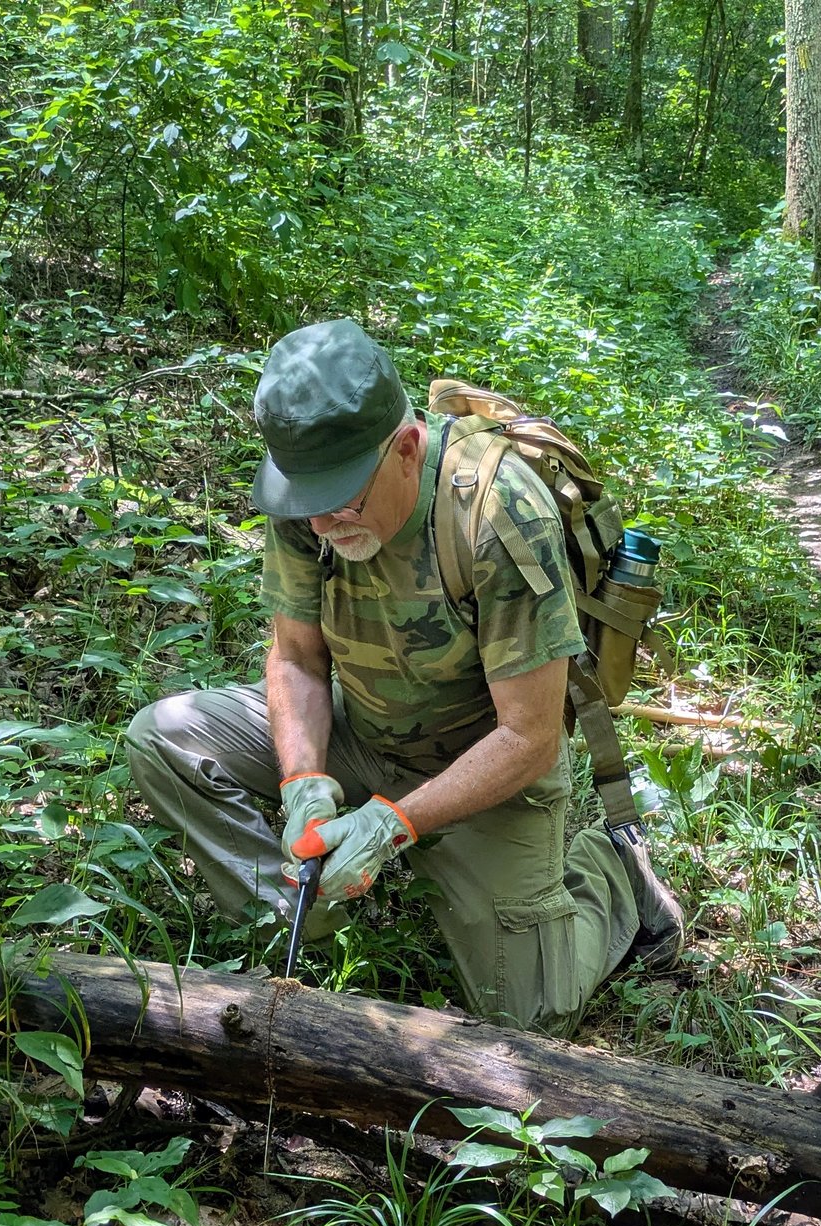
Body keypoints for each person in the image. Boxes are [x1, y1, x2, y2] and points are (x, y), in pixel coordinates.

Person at [125, 319, 683, 1037]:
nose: (322, 522)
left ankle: (615, 874)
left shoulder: (496, 514)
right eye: (307, 501)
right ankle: (300, 916)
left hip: (485, 768)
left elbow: (532, 736)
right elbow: (296, 657)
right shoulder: (311, 501)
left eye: (343, 500)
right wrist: (302, 782)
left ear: (407, 449)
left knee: (533, 1012)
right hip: (361, 729)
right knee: (162, 739)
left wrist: (397, 823)